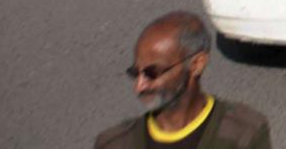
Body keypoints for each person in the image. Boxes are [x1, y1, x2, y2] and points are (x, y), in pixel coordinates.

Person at [97, 11, 271, 148]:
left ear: (196, 65)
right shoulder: (114, 144)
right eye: (135, 73)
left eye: (152, 73)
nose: (139, 86)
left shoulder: (244, 134)